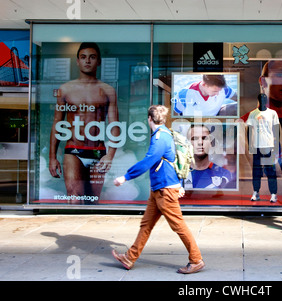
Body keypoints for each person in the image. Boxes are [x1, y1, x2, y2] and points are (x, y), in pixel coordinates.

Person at [112, 105, 204, 274]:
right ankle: (130, 257)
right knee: (146, 224)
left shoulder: (160, 138)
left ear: (149, 119)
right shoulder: (164, 134)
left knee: (178, 225)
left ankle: (196, 260)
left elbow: (149, 161)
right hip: (159, 189)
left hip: (165, 190)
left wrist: (125, 177)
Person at [48, 42, 119, 204]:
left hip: (97, 150)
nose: (88, 61)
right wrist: (52, 157)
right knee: (74, 197)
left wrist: (110, 156)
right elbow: (57, 124)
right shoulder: (65, 89)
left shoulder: (108, 90)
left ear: (99, 61)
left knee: (93, 200)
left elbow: (114, 125)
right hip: (73, 149)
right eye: (83, 57)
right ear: (78, 61)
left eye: (92, 57)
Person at [246, 94, 280, 203]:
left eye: (264, 98)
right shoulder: (253, 114)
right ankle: (256, 192)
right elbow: (249, 131)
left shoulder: (272, 113)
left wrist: (275, 147)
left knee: (270, 171)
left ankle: (273, 193)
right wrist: (250, 146)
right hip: (256, 146)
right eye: (261, 98)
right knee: (256, 171)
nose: (263, 100)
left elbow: (276, 130)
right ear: (258, 100)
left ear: (266, 100)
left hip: (268, 146)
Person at [185, 124, 235, 189]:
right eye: (194, 138)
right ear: (187, 143)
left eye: (204, 138)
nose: (200, 142)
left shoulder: (224, 175)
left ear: (211, 143)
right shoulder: (179, 174)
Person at [173, 74, 237, 117]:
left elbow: (240, 98)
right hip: (194, 125)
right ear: (204, 84)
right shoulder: (184, 94)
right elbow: (176, 112)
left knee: (236, 107)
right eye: (215, 91)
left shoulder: (224, 89)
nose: (217, 94)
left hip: (216, 117)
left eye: (219, 91)